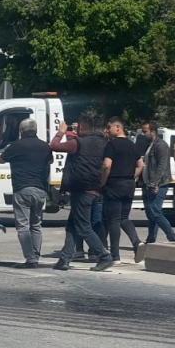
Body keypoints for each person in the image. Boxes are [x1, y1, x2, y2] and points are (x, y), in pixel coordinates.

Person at [50, 115, 114, 272]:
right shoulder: (103, 143)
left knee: (84, 228)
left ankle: (104, 256)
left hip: (81, 189)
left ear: (80, 128)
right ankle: (64, 259)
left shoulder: (78, 143)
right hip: (94, 189)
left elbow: (54, 145)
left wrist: (61, 132)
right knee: (72, 225)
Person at [0, 118, 53, 268]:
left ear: (21, 132)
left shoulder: (16, 146)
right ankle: (35, 255)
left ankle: (31, 259)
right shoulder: (44, 146)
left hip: (22, 189)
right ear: (35, 130)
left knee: (23, 226)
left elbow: (0, 160)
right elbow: (50, 162)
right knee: (36, 225)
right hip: (40, 189)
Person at [100, 117, 145, 263]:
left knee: (113, 220)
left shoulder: (111, 145)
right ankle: (137, 243)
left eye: (109, 127)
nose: (107, 130)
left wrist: (102, 182)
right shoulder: (132, 145)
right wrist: (132, 177)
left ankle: (115, 256)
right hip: (129, 185)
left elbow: (106, 165)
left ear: (118, 128)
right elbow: (141, 165)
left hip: (114, 184)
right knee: (124, 218)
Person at [140, 121, 175, 243]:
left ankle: (172, 237)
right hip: (147, 183)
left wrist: (154, 183)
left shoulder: (161, 145)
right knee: (150, 214)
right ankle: (151, 239)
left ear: (153, 132)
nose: (143, 134)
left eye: (145, 131)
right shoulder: (148, 144)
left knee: (154, 211)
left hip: (159, 184)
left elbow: (161, 166)